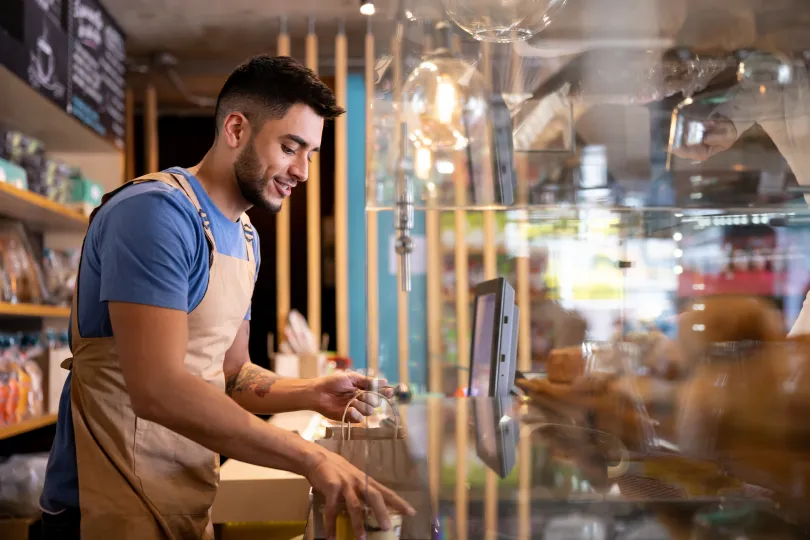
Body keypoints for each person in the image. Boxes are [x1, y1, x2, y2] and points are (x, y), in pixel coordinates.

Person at [39, 55, 413, 540]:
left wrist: (311, 392)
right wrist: (309, 456)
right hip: (100, 507)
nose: (302, 171)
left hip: (183, 495)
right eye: (290, 147)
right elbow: (159, 388)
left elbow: (231, 372)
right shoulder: (156, 214)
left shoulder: (245, 237)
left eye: (311, 155)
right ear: (236, 128)